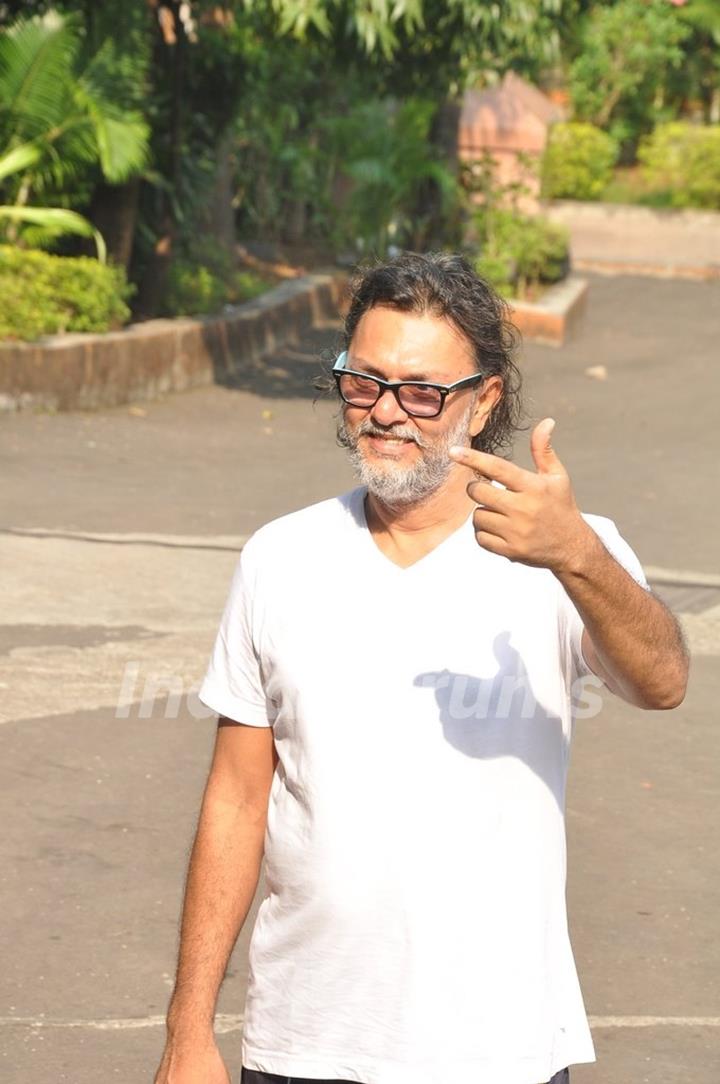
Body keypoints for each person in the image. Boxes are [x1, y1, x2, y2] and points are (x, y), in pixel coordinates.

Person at [154, 252, 688, 1084]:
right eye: (364, 382)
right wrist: (188, 1033)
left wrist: (579, 556)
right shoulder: (280, 558)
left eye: (423, 391)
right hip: (301, 1042)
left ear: (484, 403)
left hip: (497, 1051)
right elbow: (236, 798)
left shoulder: (560, 551)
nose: (387, 413)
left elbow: (663, 681)